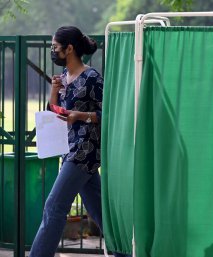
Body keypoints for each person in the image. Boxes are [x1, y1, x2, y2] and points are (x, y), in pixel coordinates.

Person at [29, 26, 131, 257]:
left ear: (70, 48)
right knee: (101, 212)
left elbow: (114, 112)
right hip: (70, 149)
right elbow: (55, 113)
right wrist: (54, 91)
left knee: (54, 207)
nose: (53, 51)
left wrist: (82, 116)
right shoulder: (64, 78)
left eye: (55, 47)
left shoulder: (92, 78)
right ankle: (126, 253)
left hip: (85, 153)